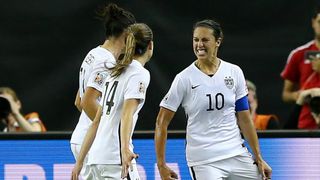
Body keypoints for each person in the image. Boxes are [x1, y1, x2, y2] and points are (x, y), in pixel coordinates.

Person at [155, 19, 272, 180]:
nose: (199, 45)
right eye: (196, 40)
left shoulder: (234, 72)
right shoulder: (184, 79)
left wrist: (258, 157)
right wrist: (161, 165)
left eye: (204, 40)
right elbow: (162, 122)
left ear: (218, 41)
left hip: (236, 153)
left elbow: (244, 119)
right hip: (204, 160)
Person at [71, 23, 154, 180]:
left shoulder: (115, 72)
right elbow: (126, 114)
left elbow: (97, 122)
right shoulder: (140, 74)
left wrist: (80, 162)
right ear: (150, 45)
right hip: (115, 158)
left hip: (95, 159)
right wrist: (124, 150)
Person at [70, 3, 136, 179]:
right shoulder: (106, 63)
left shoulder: (93, 54)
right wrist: (108, 131)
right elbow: (87, 102)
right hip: (91, 142)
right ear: (127, 34)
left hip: (81, 137)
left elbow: (79, 101)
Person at [281, 6, 320, 129]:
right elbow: (286, 94)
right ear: (313, 22)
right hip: (306, 124)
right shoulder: (298, 54)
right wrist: (301, 95)